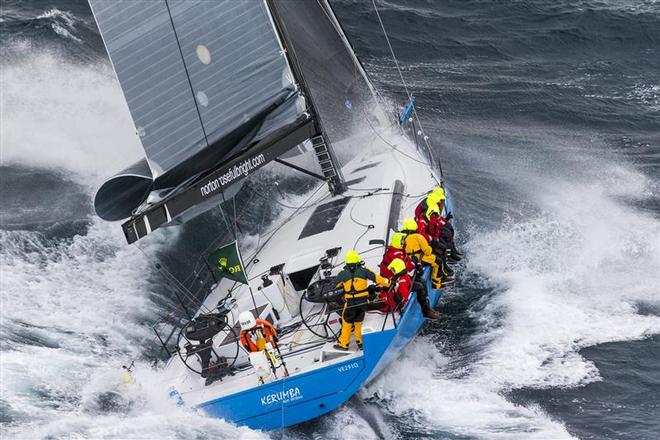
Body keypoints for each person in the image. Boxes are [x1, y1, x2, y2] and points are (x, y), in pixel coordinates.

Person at [334, 250, 389, 351]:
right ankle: (361, 342)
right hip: (363, 302)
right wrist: (389, 283)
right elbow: (378, 279)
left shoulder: (342, 274)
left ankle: (343, 344)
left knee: (347, 323)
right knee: (359, 322)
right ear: (358, 261)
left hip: (350, 304)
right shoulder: (364, 271)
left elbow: (333, 286)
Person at [414, 186, 463, 261]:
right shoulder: (425, 216)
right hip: (429, 235)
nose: (442, 202)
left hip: (432, 229)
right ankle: (448, 256)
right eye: (441, 200)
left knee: (448, 230)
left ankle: (453, 251)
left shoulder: (433, 206)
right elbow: (428, 229)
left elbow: (436, 220)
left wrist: (445, 220)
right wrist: (433, 237)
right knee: (444, 239)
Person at [401, 217, 444, 288]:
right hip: (419, 259)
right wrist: (430, 248)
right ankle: (436, 283)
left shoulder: (401, 237)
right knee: (438, 261)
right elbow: (427, 252)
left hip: (407, 260)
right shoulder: (418, 237)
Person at [417, 204, 455, 282]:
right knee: (439, 256)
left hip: (431, 242)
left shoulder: (431, 219)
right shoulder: (423, 222)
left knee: (443, 248)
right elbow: (422, 236)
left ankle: (445, 267)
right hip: (426, 246)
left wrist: (445, 220)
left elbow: (438, 225)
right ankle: (440, 277)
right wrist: (431, 238)